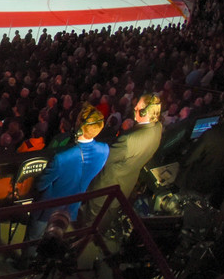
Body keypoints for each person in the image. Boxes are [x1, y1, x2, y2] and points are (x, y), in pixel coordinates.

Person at [25, 106, 110, 247]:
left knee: (33, 239)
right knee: (54, 239)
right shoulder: (104, 149)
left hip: (48, 207)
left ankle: (25, 265)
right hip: (71, 206)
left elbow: (41, 184)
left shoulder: (62, 158)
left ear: (80, 127)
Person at [80, 93, 162, 230]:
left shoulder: (128, 140)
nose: (134, 107)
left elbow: (106, 159)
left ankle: (82, 239)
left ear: (145, 112)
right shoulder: (158, 128)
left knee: (92, 218)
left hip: (107, 185)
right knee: (108, 216)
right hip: (126, 184)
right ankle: (98, 233)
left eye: (138, 108)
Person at [177, 99, 224, 203]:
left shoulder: (211, 134)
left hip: (195, 184)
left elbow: (187, 160)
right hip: (213, 185)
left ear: (223, 114)